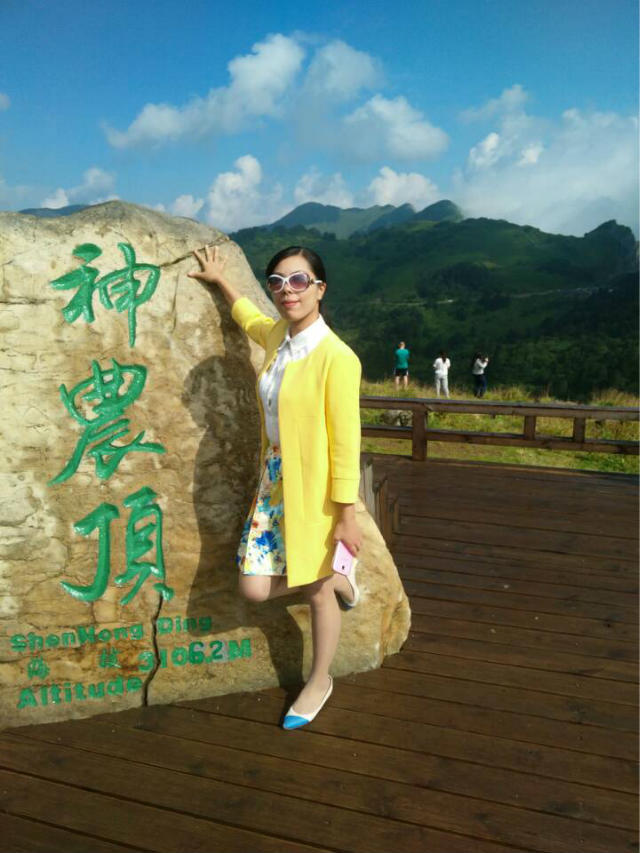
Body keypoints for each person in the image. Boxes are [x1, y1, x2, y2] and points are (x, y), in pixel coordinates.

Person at [188, 244, 362, 730]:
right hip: (275, 482)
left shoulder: (337, 358)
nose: (288, 291)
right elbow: (248, 318)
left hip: (316, 490)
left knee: (317, 590)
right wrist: (221, 280)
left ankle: (319, 678)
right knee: (255, 588)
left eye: (299, 281)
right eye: (278, 282)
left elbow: (346, 444)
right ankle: (341, 577)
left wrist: (346, 516)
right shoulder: (279, 336)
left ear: (320, 289)